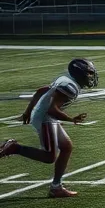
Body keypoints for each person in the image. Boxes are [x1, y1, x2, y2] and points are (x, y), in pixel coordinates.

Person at [1, 58, 99, 198]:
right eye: (88, 73)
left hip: (45, 115)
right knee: (49, 157)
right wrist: (71, 119)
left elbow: (41, 90)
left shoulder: (67, 80)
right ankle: (14, 148)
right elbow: (52, 110)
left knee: (66, 147)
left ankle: (56, 187)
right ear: (79, 73)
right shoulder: (69, 87)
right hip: (45, 117)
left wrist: (28, 111)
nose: (91, 76)